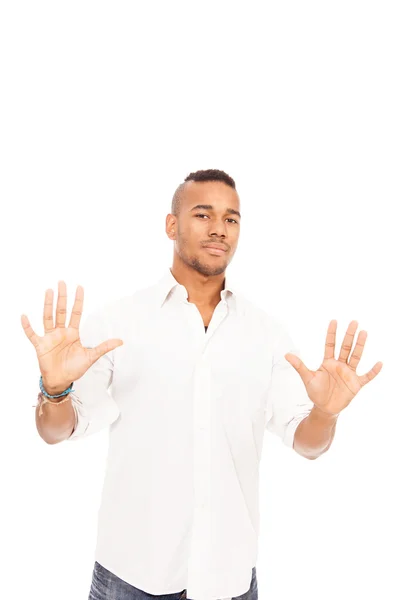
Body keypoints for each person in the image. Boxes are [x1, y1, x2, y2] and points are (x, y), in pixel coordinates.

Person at [21, 169, 383, 600]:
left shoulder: (267, 334)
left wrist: (325, 413)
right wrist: (55, 388)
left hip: (229, 580)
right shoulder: (118, 323)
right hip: (132, 577)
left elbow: (308, 444)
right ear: (171, 225)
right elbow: (56, 430)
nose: (219, 229)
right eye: (202, 214)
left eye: (231, 219)